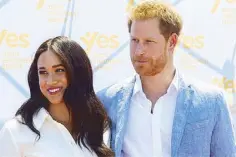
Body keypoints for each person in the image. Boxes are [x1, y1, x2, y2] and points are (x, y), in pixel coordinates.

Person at [97, 1, 236, 157]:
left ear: (172, 42)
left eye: (148, 42)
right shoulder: (107, 100)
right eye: (134, 40)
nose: (139, 51)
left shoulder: (211, 101)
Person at [0, 36, 114, 157]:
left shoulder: (100, 125)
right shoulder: (16, 131)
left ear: (77, 72)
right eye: (43, 72)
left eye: (59, 70)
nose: (50, 81)